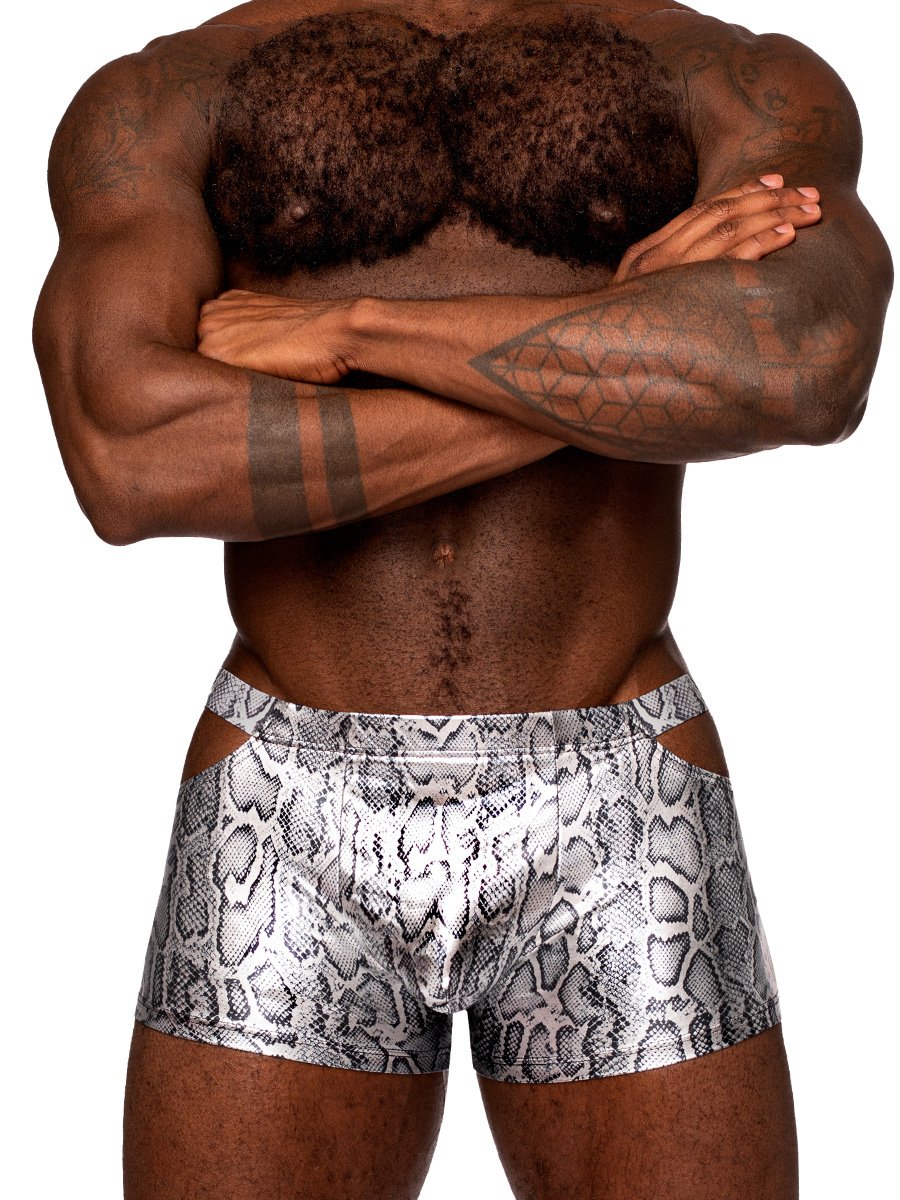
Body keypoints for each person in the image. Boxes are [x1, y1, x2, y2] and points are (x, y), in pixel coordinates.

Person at [32, 1, 891, 1197]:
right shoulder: (170, 93)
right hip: (284, 800)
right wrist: (618, 331)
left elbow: (801, 365)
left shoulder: (727, 75)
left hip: (620, 790)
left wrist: (351, 331)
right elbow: (129, 455)